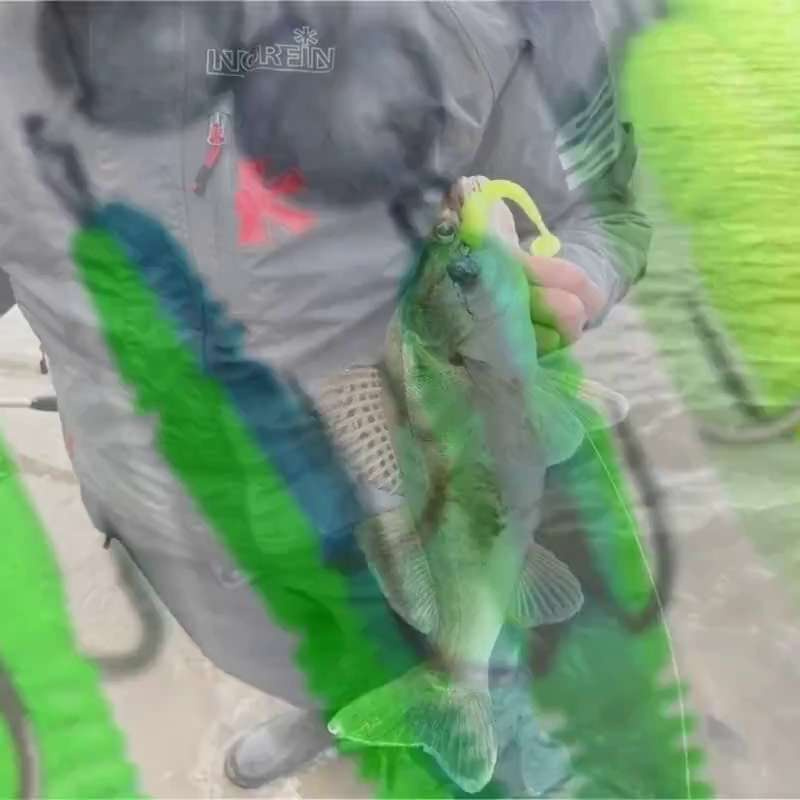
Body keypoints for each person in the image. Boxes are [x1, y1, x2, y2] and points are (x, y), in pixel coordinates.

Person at [0, 1, 650, 793]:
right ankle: (332, 709)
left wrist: (573, 283)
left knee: (489, 715)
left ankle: (481, 730)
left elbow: (600, 209)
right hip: (159, 522)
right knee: (302, 659)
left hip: (390, 526)